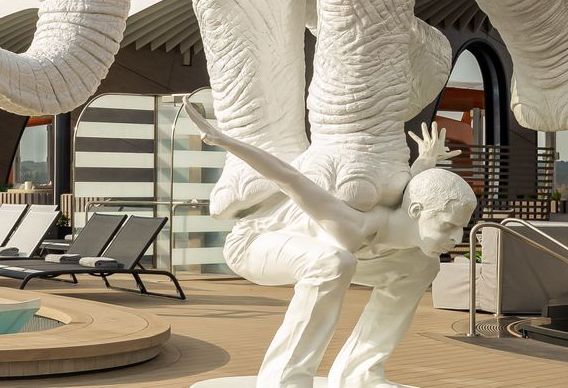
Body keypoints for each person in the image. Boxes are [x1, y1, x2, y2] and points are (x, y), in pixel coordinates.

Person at [186, 104, 476, 388]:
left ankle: (359, 375)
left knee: (421, 266)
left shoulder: (406, 205)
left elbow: (416, 186)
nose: (457, 238)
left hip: (338, 251)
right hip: (252, 243)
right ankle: (285, 380)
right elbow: (288, 178)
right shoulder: (352, 226)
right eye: (448, 226)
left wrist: (426, 160)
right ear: (415, 212)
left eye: (461, 227)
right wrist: (224, 141)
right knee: (333, 262)